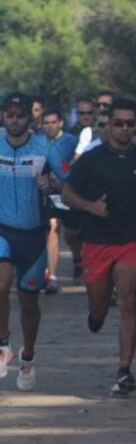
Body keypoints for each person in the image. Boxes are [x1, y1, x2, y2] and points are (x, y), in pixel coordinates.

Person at [62, 98, 136, 396]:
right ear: (108, 124)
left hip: (133, 239)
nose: (124, 129)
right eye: (118, 123)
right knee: (99, 307)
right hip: (96, 241)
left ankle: (124, 369)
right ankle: (96, 314)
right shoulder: (91, 159)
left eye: (130, 124)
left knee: (128, 300)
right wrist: (90, 207)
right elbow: (68, 193)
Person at [0, 92, 70, 389]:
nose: (15, 120)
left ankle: (27, 357)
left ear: (31, 117)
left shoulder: (45, 147)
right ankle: (3, 344)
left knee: (29, 301)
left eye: (21, 115)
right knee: (1, 285)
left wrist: (52, 182)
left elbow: (70, 181)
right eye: (10, 115)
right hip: (2, 229)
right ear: (4, 116)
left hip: (33, 233)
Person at [40, 107, 79, 294]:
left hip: (69, 194)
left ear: (61, 123)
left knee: (73, 234)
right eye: (46, 123)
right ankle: (52, 277)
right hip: (48, 194)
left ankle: (78, 258)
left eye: (53, 122)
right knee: (52, 228)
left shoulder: (72, 141)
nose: (50, 126)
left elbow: (78, 162)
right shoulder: (37, 142)